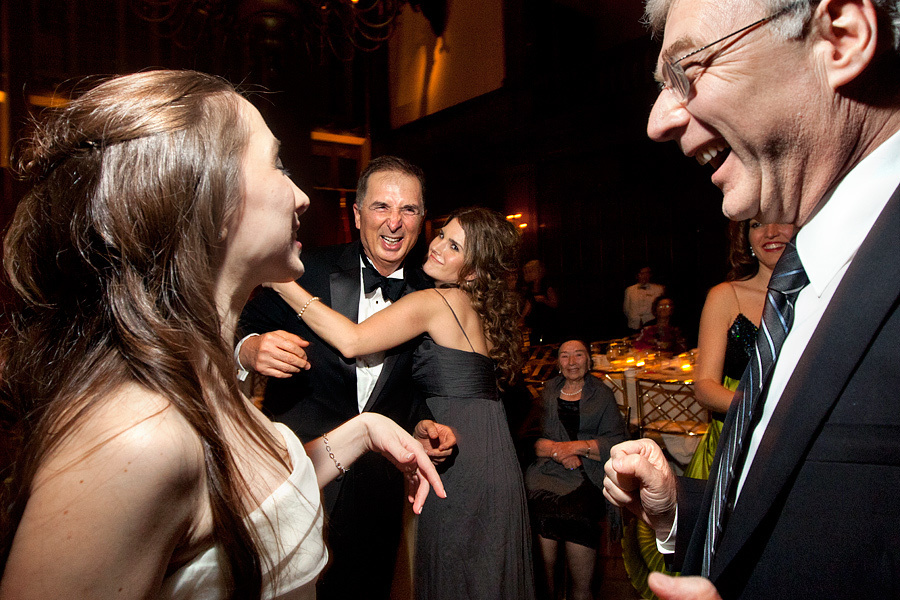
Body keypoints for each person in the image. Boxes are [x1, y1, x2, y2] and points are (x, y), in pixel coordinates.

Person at [0, 70, 445, 600]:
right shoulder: (135, 436)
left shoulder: (199, 385)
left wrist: (366, 430)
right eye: (276, 163)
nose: (303, 196)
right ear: (210, 202)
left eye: (409, 209)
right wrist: (252, 346)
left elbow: (261, 493)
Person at [604, 0, 900, 598]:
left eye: (688, 68)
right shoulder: (801, 271)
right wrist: (682, 511)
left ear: (840, 37)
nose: (658, 120)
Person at [268, 206, 536, 600]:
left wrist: (282, 282)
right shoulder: (485, 311)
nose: (439, 246)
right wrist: (421, 424)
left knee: (455, 573)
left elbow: (352, 341)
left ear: (475, 271)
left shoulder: (436, 302)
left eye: (455, 246)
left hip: (458, 468)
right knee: (485, 574)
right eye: (443, 233)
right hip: (494, 458)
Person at [237, 156, 455, 600]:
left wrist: (422, 425)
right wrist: (250, 348)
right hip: (298, 469)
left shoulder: (430, 295)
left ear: (422, 219)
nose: (394, 223)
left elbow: (413, 389)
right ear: (357, 215)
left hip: (377, 488)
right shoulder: (304, 270)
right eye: (381, 207)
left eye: (408, 210)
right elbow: (236, 324)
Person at [684, 219, 797, 479]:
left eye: (781, 219)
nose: (770, 232)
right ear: (746, 237)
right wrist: (763, 409)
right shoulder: (725, 296)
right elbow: (704, 387)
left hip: (799, 442)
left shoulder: (819, 295)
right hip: (736, 447)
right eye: (757, 224)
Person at [524, 339, 628, 600]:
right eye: (565, 356)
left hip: (588, 474)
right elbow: (528, 439)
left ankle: (581, 591)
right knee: (536, 508)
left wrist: (576, 448)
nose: (571, 362)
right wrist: (556, 453)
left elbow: (617, 440)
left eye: (578, 355)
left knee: (579, 510)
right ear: (558, 362)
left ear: (589, 361)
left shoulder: (602, 394)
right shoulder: (546, 392)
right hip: (546, 474)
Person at [521, 259, 560, 344]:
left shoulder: (546, 287)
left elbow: (555, 304)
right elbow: (527, 306)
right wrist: (521, 319)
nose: (528, 274)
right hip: (534, 324)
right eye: (526, 272)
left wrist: (544, 300)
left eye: (530, 271)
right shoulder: (528, 289)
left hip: (548, 322)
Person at [624, 267, 666, 332]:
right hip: (634, 324)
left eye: (647, 273)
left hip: (651, 323)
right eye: (642, 273)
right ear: (637, 275)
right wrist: (633, 317)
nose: (644, 276)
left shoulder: (659, 289)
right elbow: (626, 308)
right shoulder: (629, 290)